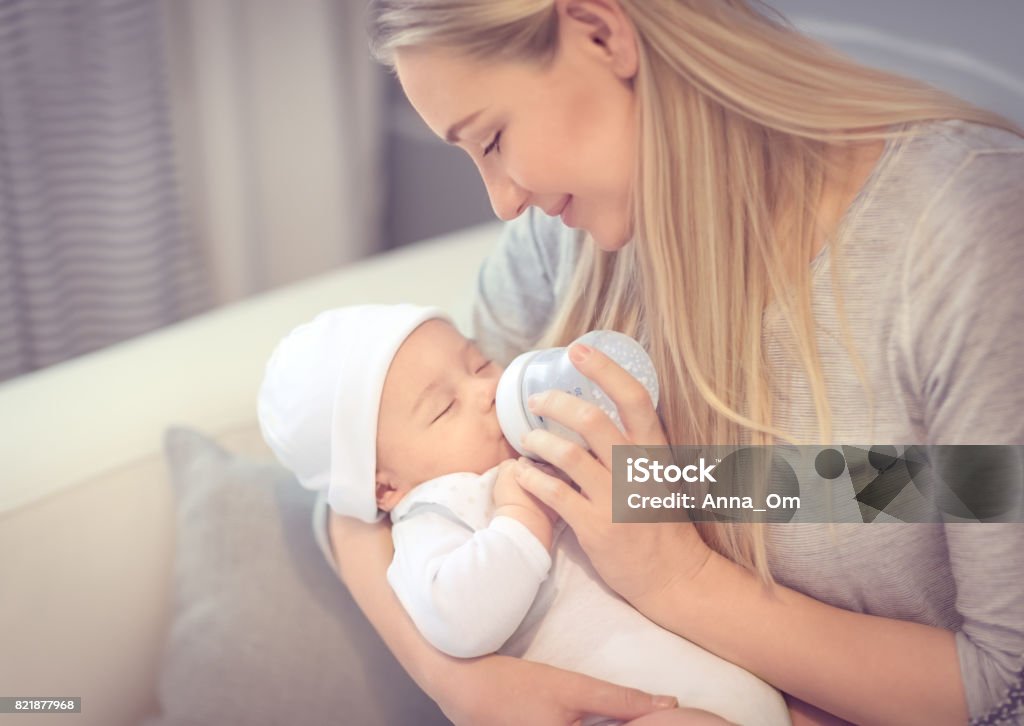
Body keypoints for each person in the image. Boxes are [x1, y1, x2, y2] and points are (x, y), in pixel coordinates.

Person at [323, 1, 1024, 724]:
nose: (503, 201)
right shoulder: (565, 243)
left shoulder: (962, 239)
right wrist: (460, 683)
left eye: (494, 137)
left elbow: (1006, 687)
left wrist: (677, 578)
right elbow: (366, 479)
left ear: (601, 31)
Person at [257, 303, 791, 726]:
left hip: (747, 687)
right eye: (444, 407)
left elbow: (841, 487)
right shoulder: (436, 511)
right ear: (386, 486)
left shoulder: (532, 449)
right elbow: (455, 618)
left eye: (479, 363)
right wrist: (520, 519)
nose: (487, 389)